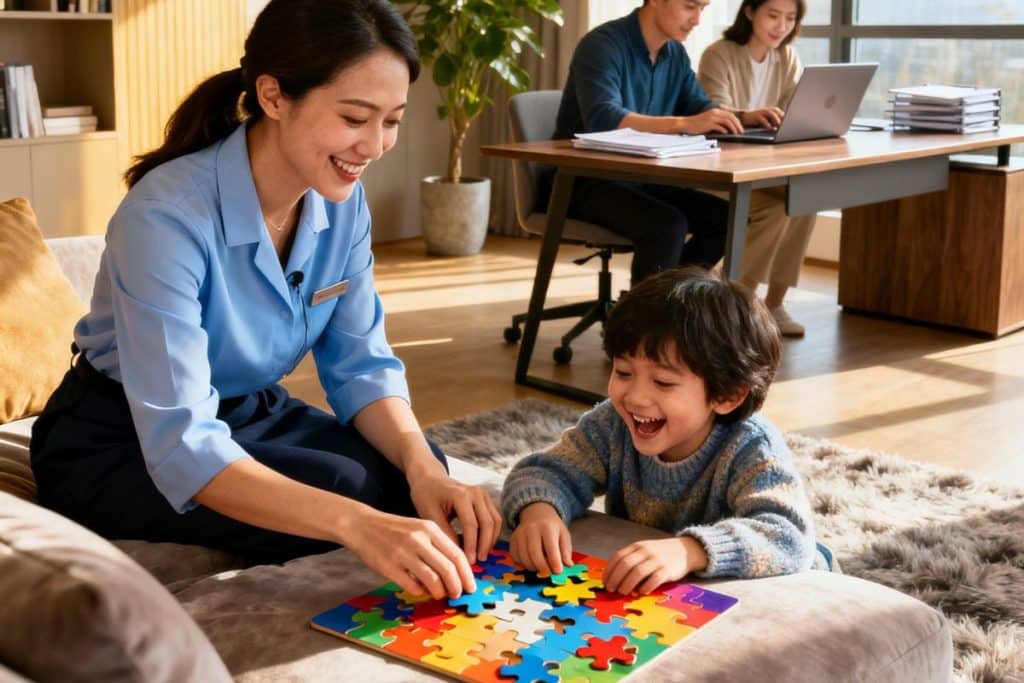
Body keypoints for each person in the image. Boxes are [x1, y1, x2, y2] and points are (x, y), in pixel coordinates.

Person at [29, 0, 501, 601]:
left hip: (248, 410)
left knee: (413, 471)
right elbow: (183, 442)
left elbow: (361, 366)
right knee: (352, 498)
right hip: (118, 435)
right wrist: (356, 526)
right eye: (357, 117)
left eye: (392, 121)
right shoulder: (165, 216)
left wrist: (426, 470)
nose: (376, 145)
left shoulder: (341, 199)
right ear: (274, 97)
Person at [501, 267, 835, 593]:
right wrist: (539, 513)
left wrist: (690, 550)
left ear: (727, 395)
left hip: (788, 589)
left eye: (663, 382)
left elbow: (789, 537)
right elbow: (541, 472)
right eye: (623, 372)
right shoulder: (611, 424)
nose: (635, 396)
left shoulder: (751, 446)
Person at [549, 0, 787, 286]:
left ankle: (667, 305)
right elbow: (604, 118)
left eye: (703, 9)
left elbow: (699, 107)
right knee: (667, 226)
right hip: (584, 181)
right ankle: (643, 326)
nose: (697, 19)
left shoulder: (675, 54)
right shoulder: (601, 45)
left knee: (726, 219)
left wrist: (744, 116)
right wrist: (684, 124)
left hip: (643, 177)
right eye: (690, 6)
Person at [697, 0, 814, 336]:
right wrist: (748, 116)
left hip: (763, 165)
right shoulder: (719, 53)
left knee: (805, 199)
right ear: (750, 12)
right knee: (779, 207)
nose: (781, 26)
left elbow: (795, 111)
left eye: (790, 19)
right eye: (773, 16)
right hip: (718, 167)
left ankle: (774, 305)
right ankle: (737, 304)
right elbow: (712, 108)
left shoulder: (786, 58)